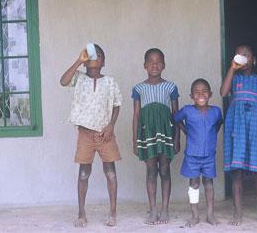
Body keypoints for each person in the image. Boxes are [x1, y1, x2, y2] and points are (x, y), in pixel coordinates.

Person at [60, 43, 123, 227]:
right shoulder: (79, 78)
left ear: (103, 62)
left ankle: (113, 213)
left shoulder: (110, 82)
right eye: (90, 57)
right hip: (85, 134)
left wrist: (111, 125)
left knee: (110, 172)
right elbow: (63, 81)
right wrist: (78, 61)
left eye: (98, 56)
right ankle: (81, 213)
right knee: (83, 174)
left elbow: (117, 105)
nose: (94, 59)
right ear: (86, 62)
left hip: (105, 133)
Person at [220, 44, 257, 226]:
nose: (243, 58)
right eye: (239, 55)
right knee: (236, 172)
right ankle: (237, 213)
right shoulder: (233, 78)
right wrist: (231, 68)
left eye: (247, 55)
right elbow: (223, 92)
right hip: (237, 124)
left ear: (254, 59)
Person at [131, 48, 179, 225]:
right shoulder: (138, 88)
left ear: (164, 65)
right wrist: (135, 140)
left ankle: (165, 209)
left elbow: (176, 114)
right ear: (144, 65)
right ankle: (153, 210)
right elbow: (136, 115)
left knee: (165, 170)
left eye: (158, 61)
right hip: (147, 134)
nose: (154, 64)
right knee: (151, 170)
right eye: (150, 61)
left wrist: (177, 138)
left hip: (166, 133)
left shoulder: (171, 87)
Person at [173, 78, 222, 227]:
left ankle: (210, 214)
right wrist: (185, 130)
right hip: (192, 156)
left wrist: (212, 134)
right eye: (197, 92)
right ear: (191, 96)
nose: (201, 94)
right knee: (194, 184)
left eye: (204, 91)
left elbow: (219, 123)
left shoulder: (216, 111)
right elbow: (175, 118)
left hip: (209, 155)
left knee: (208, 183)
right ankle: (194, 215)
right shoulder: (187, 110)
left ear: (210, 94)